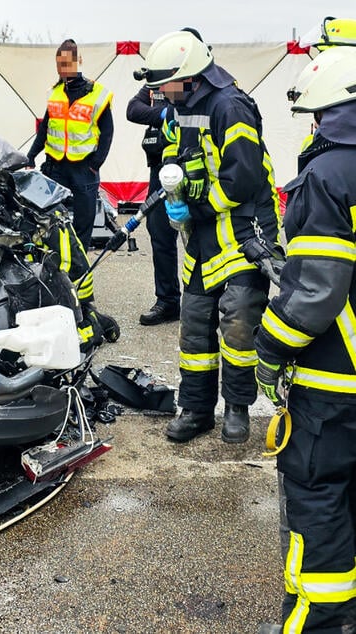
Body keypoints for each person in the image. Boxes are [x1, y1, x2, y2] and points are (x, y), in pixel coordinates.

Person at [135, 30, 281, 444]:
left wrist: (195, 206)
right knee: (195, 325)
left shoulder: (230, 107)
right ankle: (197, 409)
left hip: (242, 233)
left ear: (190, 76)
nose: (160, 91)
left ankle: (237, 408)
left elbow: (243, 181)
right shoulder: (177, 108)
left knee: (237, 324)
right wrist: (173, 192)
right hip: (201, 236)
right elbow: (169, 154)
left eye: (165, 83)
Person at [255, 46, 356, 633]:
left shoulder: (326, 177)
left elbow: (314, 296)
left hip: (335, 384)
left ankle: (319, 624)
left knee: (319, 500)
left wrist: (269, 353)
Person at [26, 39, 114, 253]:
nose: (62, 69)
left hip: (85, 169)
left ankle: (79, 272)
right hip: (56, 167)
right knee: (51, 221)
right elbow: (45, 129)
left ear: (78, 61)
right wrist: (30, 156)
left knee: (83, 225)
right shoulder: (54, 93)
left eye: (66, 64)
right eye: (59, 65)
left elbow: (108, 132)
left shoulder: (97, 94)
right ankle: (56, 265)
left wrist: (96, 163)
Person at [126, 84, 180, 325]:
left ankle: (206, 302)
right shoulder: (155, 82)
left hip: (190, 165)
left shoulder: (192, 79)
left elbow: (185, 109)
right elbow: (133, 110)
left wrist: (169, 111)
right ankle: (168, 302)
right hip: (159, 169)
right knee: (159, 233)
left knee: (201, 238)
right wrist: (162, 114)